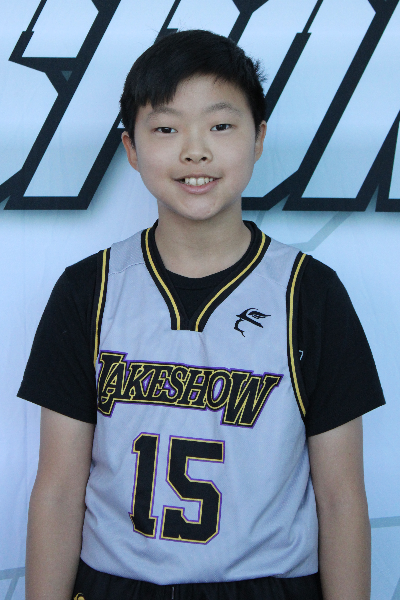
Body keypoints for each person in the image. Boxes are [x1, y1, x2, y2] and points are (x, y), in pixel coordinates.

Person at [19, 30, 385, 600]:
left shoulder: (309, 294)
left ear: (258, 139)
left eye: (220, 126)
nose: (195, 151)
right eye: (166, 129)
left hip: (267, 586)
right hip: (117, 584)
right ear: (131, 148)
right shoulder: (88, 289)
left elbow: (340, 498)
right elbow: (59, 488)